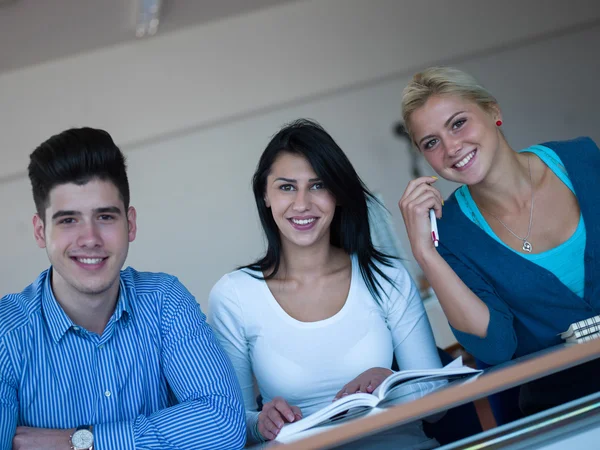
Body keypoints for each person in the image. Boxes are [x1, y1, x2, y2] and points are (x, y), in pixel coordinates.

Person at [0, 128, 245, 450]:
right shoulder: (6, 331)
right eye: (68, 220)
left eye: (104, 216)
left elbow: (224, 424)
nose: (90, 238)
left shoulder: (164, 301)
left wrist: (79, 443)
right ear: (40, 231)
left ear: (130, 224)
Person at [209, 119, 443, 448]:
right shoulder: (235, 295)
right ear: (265, 194)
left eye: (318, 185)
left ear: (337, 194)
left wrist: (392, 380)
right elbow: (230, 425)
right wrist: (261, 423)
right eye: (286, 187)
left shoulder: (386, 276)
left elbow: (437, 406)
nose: (302, 203)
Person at [398, 66, 600, 415]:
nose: (451, 147)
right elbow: (495, 347)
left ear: (493, 111)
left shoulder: (583, 160)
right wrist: (426, 253)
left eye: (458, 123)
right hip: (563, 412)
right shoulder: (451, 232)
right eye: (431, 142)